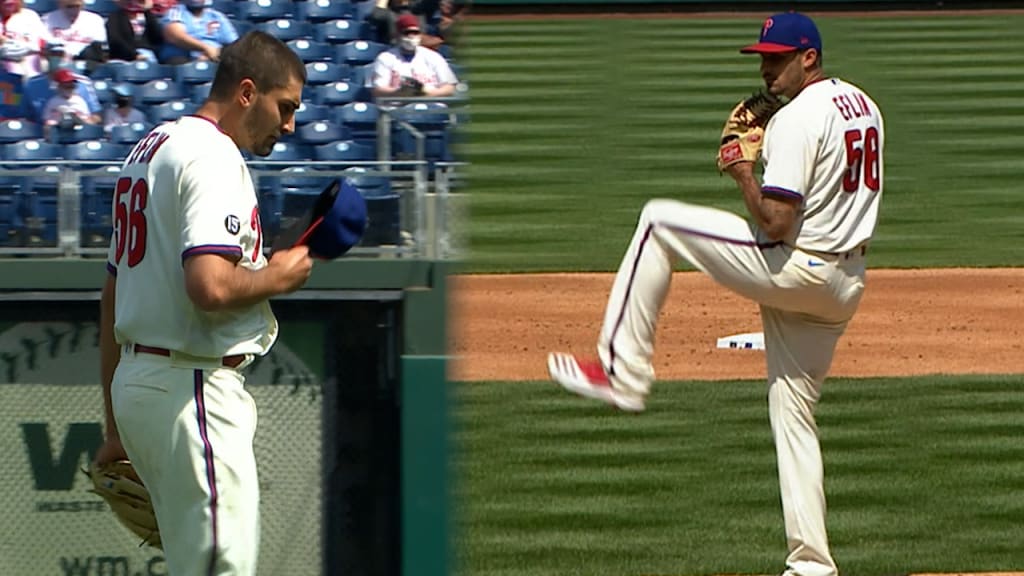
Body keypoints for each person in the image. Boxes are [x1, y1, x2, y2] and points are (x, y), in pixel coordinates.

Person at [547, 12, 884, 576]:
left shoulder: (796, 120)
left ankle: (623, 372)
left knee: (658, 221)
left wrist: (741, 170)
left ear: (810, 58)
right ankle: (812, 567)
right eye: (762, 57)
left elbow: (777, 221)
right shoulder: (866, 105)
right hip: (844, 285)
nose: (766, 68)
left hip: (794, 266)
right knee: (793, 412)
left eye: (777, 58)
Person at [92, 30, 311, 575]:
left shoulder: (149, 148)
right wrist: (278, 277)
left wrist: (116, 427)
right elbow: (210, 286)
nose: (290, 125)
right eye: (284, 107)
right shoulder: (212, 155)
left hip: (141, 389)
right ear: (245, 92)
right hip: (192, 391)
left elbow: (113, 294)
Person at [371, 13, 457, 99]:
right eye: (407, 33)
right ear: (398, 35)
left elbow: (449, 88)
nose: (411, 36)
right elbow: (377, 91)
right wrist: (399, 93)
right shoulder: (385, 58)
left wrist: (425, 94)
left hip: (431, 106)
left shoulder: (434, 57)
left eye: (415, 33)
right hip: (398, 107)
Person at [23, 41, 102, 124]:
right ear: (46, 56)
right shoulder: (31, 84)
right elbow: (26, 117)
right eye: (54, 54)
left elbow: (96, 116)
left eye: (61, 54)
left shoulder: (83, 83)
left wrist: (85, 121)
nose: (58, 58)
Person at [159, 0, 237, 65]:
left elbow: (234, 43)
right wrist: (206, 48)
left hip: (214, 56)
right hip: (182, 57)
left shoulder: (216, 16)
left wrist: (215, 53)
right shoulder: (176, 12)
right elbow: (175, 36)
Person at [42, 0, 108, 64]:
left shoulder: (94, 19)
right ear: (60, 5)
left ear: (82, 5)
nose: (73, 10)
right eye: (69, 7)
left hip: (86, 59)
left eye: (77, 6)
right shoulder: (49, 19)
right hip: (59, 59)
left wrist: (73, 51)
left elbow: (98, 46)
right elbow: (47, 44)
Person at [0, 0, 48, 78]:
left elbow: (42, 42)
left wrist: (27, 48)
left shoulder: (29, 15)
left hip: (30, 62)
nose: (7, 3)